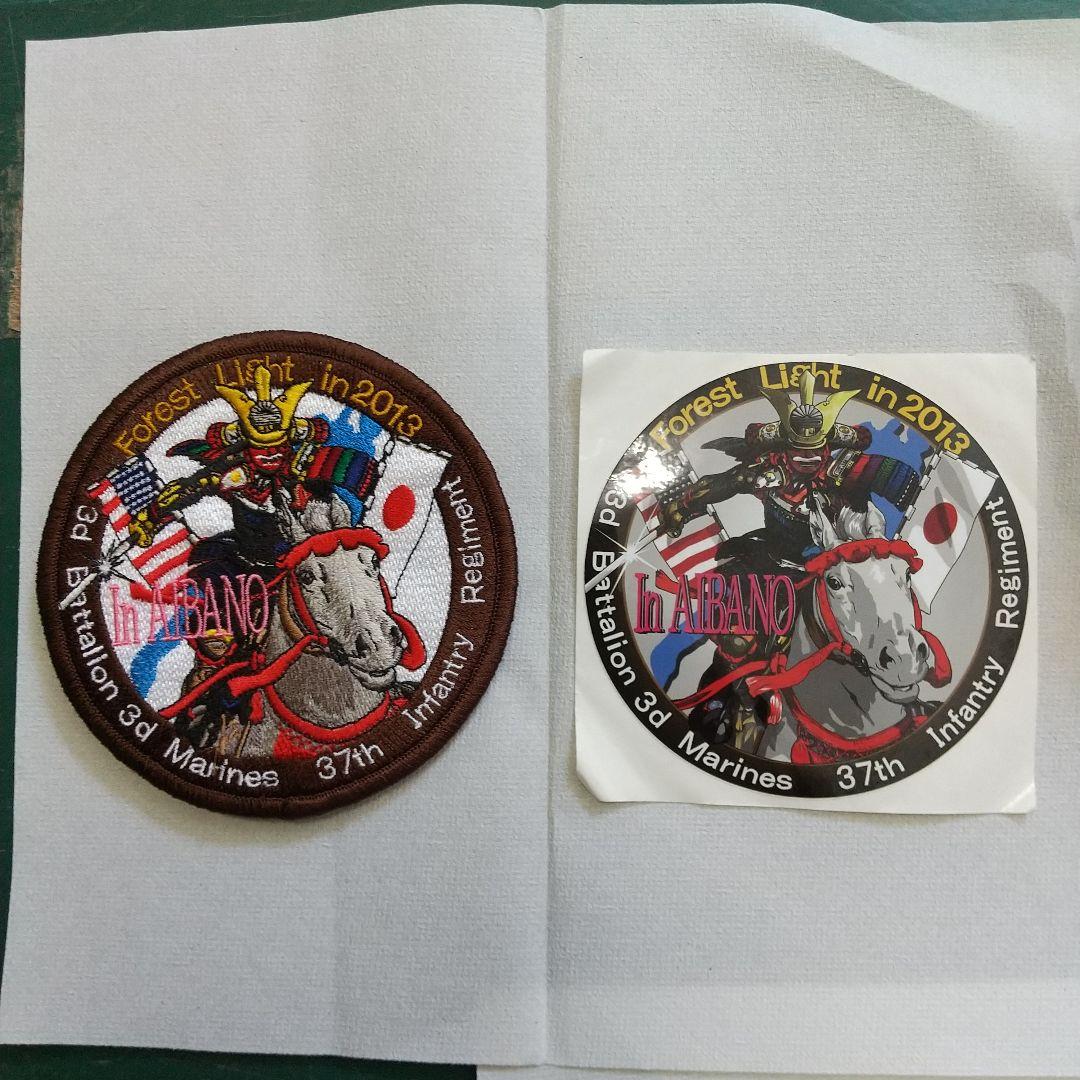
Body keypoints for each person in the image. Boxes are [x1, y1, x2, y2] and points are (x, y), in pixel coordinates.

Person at [656, 370, 922, 751]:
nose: (808, 459)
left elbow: (906, 480)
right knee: (740, 637)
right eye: (799, 451)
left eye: (816, 450)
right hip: (774, 564)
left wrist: (894, 485)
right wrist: (682, 505)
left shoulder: (847, 468)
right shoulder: (767, 472)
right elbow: (721, 485)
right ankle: (733, 704)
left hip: (837, 568)